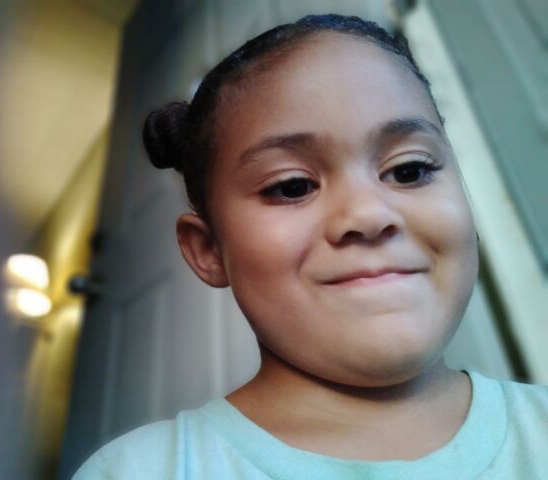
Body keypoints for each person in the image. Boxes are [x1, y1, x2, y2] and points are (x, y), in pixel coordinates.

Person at [73, 13, 548, 479]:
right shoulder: (141, 470)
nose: (368, 215)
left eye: (409, 170)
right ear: (209, 249)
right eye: (293, 186)